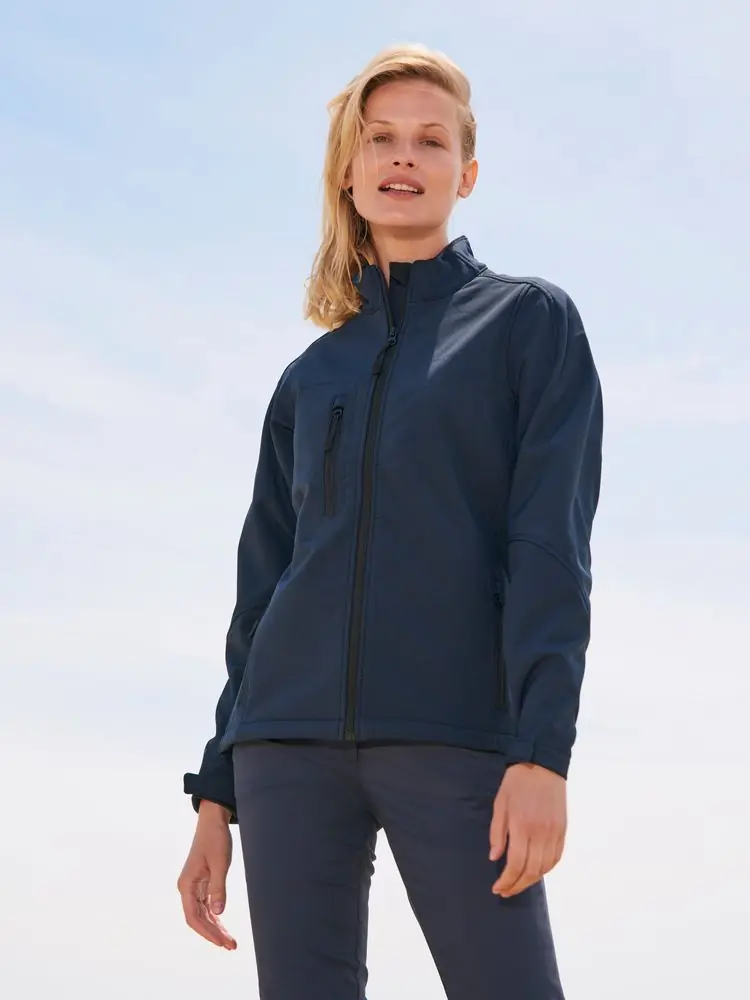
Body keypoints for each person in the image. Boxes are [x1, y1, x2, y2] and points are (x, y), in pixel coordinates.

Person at [178, 42, 603, 1000]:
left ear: (467, 173)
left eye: (431, 139)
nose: (404, 155)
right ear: (349, 168)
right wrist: (216, 790)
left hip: (452, 733)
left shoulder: (528, 324)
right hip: (284, 746)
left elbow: (551, 548)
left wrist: (543, 753)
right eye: (381, 138)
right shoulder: (308, 376)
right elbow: (262, 590)